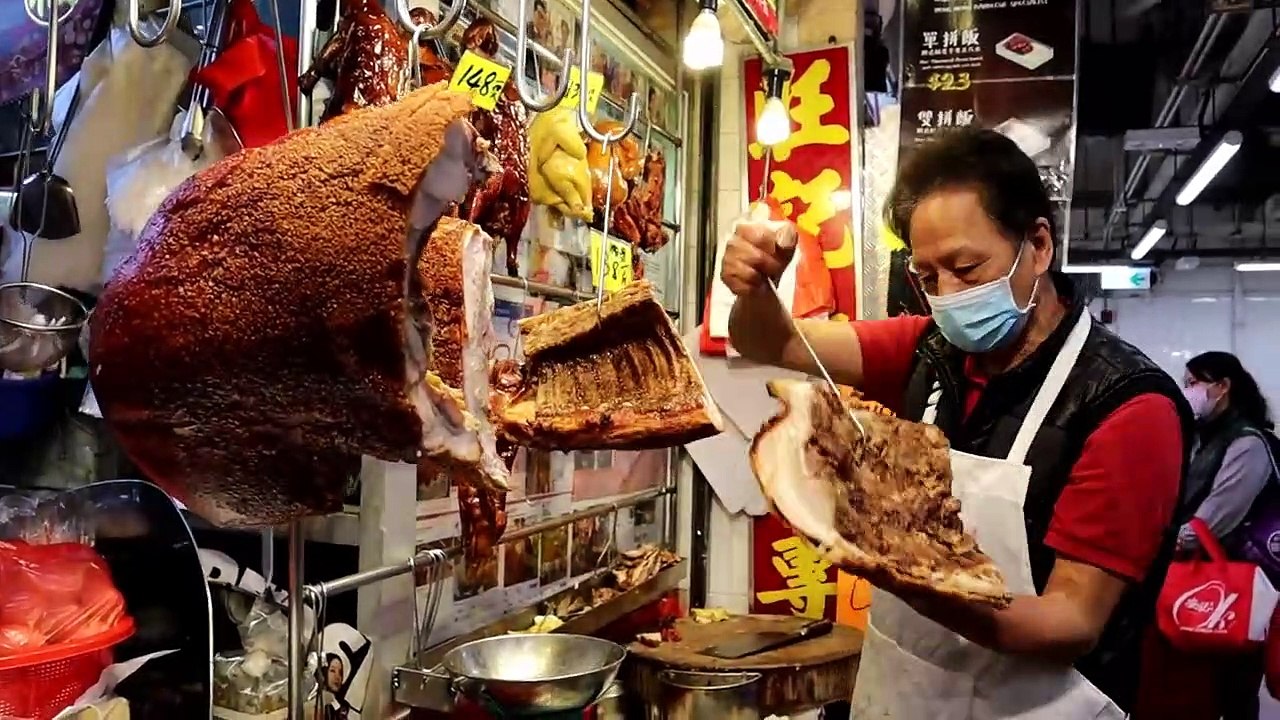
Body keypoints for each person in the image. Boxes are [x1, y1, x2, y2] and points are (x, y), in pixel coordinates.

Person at [721, 127, 1193, 717]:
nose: (946, 295)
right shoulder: (929, 348)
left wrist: (892, 566)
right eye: (926, 277)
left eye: (966, 268)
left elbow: (1067, 623)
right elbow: (769, 338)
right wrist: (754, 285)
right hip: (904, 695)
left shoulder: (1128, 407)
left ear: (1039, 246)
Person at [1133, 351, 1278, 720]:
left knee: (1230, 692)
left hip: (1230, 588)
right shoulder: (1204, 437)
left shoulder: (1248, 444)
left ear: (1223, 386)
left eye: (1194, 382)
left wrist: (1158, 542)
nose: (1189, 391)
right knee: (1195, 691)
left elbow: (1210, 523)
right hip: (1199, 583)